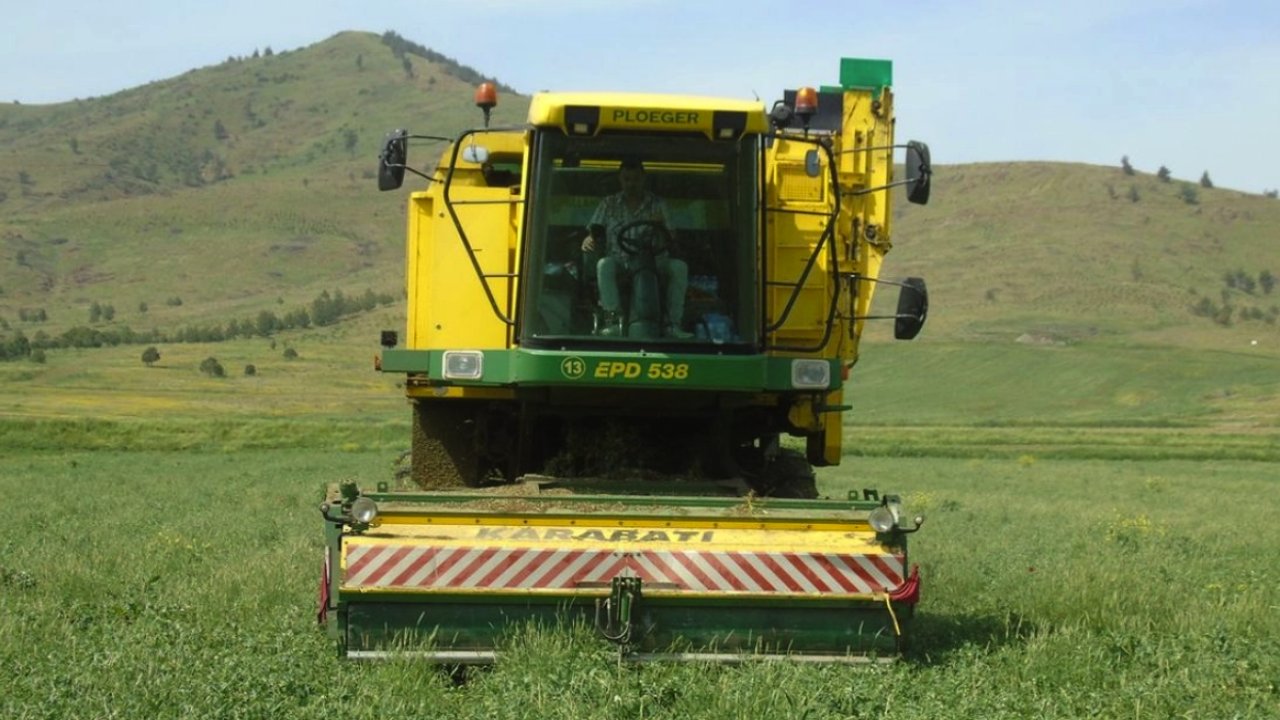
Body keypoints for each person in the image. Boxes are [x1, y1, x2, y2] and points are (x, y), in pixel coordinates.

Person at [580, 159, 691, 338]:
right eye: (627, 179)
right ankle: (613, 322)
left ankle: (672, 324)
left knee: (679, 267)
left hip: (654, 263)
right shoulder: (608, 204)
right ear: (620, 180)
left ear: (643, 179)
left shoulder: (658, 204)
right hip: (620, 262)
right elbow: (595, 231)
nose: (631, 184)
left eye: (636, 179)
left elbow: (672, 237)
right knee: (604, 264)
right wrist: (589, 238)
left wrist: (660, 226)